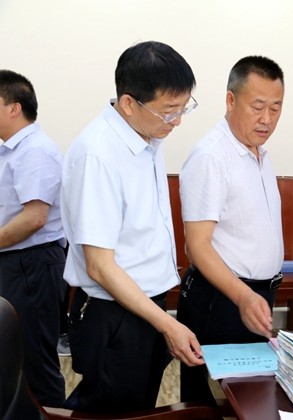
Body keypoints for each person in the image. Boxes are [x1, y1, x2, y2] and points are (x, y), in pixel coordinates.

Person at [60, 41, 204, 413]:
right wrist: (168, 325)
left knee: (139, 408)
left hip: (144, 307)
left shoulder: (147, 135)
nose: (177, 121)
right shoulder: (98, 154)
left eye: (183, 107)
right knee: (110, 412)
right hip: (114, 315)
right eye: (169, 111)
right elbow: (99, 266)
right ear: (128, 103)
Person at [177, 55, 285, 405]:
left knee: (250, 400)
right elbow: (197, 247)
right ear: (230, 100)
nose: (267, 118)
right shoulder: (211, 156)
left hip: (254, 299)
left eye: (275, 108)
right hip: (221, 301)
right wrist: (243, 296)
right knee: (209, 404)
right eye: (257, 106)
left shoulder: (260, 154)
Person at [0, 69, 66, 407]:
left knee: (35, 359)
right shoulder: (11, 151)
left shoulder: (35, 151)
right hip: (16, 261)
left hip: (32, 264)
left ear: (14, 107)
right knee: (13, 354)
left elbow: (34, 218)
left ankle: (50, 414)